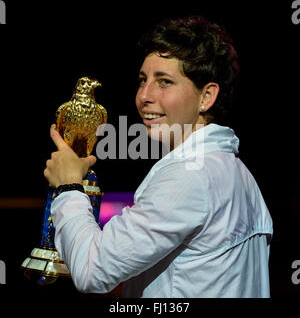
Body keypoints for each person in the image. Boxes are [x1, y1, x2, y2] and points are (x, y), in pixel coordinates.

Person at [44, 16, 273, 297]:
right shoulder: (237, 173)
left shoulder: (191, 174)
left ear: (207, 96)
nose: (144, 96)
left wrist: (68, 187)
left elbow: (93, 271)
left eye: (164, 82)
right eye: (143, 80)